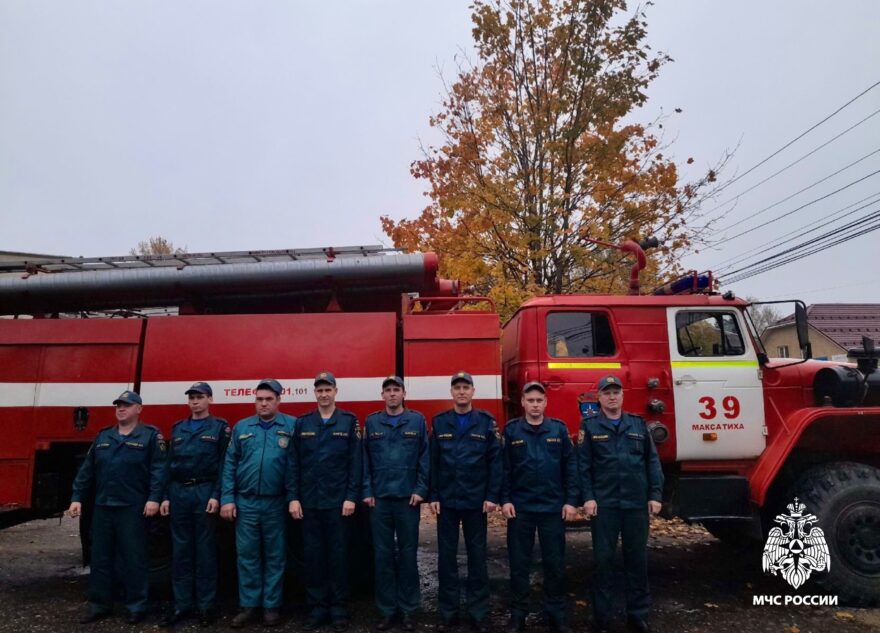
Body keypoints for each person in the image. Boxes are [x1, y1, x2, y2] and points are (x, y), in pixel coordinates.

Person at [68, 390, 167, 625]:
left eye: (126, 405)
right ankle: (99, 604)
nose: (121, 409)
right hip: (104, 506)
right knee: (100, 557)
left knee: (134, 558)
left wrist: (154, 498)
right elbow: (87, 472)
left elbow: (159, 470)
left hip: (132, 508)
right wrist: (77, 497)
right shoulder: (103, 437)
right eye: (118, 405)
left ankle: (136, 606)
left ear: (138, 409)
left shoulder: (150, 436)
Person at [578, 376, 664, 633]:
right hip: (604, 506)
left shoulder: (638, 425)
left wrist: (655, 495)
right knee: (603, 562)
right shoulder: (590, 427)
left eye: (616, 392)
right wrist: (588, 497)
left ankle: (637, 615)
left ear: (622, 396)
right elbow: (584, 467)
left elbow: (652, 462)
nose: (612, 397)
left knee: (637, 561)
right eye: (607, 393)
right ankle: (601, 618)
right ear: (600, 398)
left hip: (636, 504)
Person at [288, 372, 362, 631]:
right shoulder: (303, 423)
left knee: (339, 557)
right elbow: (293, 463)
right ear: (315, 393)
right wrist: (294, 498)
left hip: (338, 503)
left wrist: (352, 496)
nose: (323, 394)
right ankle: (317, 608)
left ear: (335, 392)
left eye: (327, 389)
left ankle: (339, 608)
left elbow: (356, 464)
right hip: (309, 503)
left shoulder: (348, 422)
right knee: (314, 557)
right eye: (319, 390)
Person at [501, 382, 578, 633]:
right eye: (530, 400)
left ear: (546, 403)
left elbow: (570, 467)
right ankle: (518, 614)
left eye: (539, 400)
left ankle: (555, 613)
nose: (535, 405)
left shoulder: (558, 429)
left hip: (552, 508)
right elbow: (504, 470)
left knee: (554, 564)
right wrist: (506, 499)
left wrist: (570, 501)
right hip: (521, 508)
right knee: (519, 564)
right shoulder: (512, 431)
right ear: (522, 402)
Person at [429, 371, 502, 633]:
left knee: (477, 558)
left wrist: (492, 496)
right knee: (447, 560)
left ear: (473, 391)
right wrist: (434, 495)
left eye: (466, 387)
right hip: (447, 501)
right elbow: (433, 463)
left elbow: (496, 462)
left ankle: (478, 612)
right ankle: (448, 612)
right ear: (451, 392)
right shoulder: (440, 423)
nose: (461, 391)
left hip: (475, 501)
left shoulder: (485, 422)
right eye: (457, 387)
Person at [220, 379, 297, 628]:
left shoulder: (292, 426)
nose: (263, 404)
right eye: (259, 399)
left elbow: (297, 466)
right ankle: (249, 605)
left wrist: (293, 498)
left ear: (278, 401)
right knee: (248, 556)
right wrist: (227, 499)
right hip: (246, 502)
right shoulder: (242, 427)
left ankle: (271, 607)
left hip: (276, 502)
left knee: (275, 556)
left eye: (268, 399)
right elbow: (230, 465)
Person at [159, 382, 230, 628]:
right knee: (181, 552)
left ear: (210, 399)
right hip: (179, 492)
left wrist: (217, 495)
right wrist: (165, 495)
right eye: (191, 398)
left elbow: (224, 466)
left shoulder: (219, 428)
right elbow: (168, 466)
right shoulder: (178, 428)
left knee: (205, 552)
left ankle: (206, 606)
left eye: (199, 397)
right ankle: (182, 605)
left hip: (204, 492)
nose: (195, 402)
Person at [362, 375, 430, 632]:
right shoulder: (372, 421)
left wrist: (421, 489)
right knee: (382, 557)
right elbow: (364, 459)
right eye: (387, 390)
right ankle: (387, 611)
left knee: (408, 556)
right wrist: (367, 491)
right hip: (379, 500)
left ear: (403, 394)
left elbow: (425, 457)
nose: (392, 394)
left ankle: (410, 610)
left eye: (396, 390)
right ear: (382, 396)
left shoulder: (417, 420)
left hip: (407, 500)